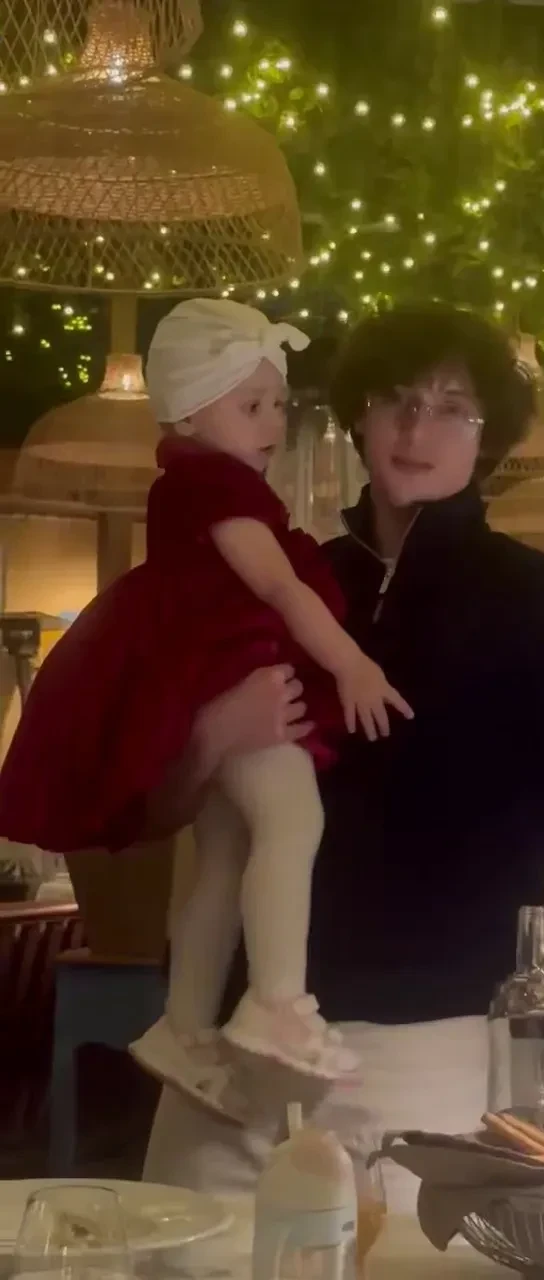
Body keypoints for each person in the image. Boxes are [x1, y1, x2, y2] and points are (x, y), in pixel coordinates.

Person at [142, 303, 544, 1209]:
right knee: (163, 1265)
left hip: (424, 1066)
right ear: (359, 415)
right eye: (397, 401)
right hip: (231, 1055)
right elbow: (151, 799)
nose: (417, 429)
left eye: (452, 407)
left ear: (489, 437)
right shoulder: (280, 579)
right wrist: (214, 736)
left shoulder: (542, 605)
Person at [0, 299, 414, 1118]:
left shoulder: (192, 484)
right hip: (237, 669)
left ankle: (185, 1025)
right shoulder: (214, 486)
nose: (272, 425)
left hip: (210, 677)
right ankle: (278, 1001)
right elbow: (279, 587)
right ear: (190, 414)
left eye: (277, 406)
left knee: (225, 855)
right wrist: (352, 663)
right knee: (293, 820)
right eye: (250, 406)